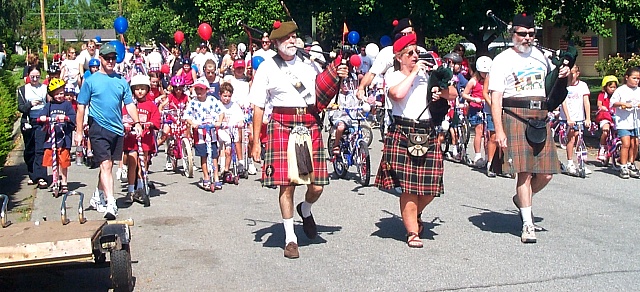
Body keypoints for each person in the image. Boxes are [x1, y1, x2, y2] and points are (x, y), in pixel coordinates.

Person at [249, 20, 348, 259]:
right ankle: (290, 238)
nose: (291, 40)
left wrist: (339, 74)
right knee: (288, 184)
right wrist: (254, 141)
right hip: (281, 125)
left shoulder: (310, 64)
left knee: (317, 186)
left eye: (293, 36)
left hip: (309, 124)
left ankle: (306, 209)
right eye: (286, 38)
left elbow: (323, 92)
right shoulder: (267, 68)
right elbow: (258, 107)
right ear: (276, 43)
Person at [488, 13, 570, 243]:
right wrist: (499, 130)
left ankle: (522, 199)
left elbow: (555, 83)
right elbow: (496, 98)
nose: (527, 38)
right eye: (522, 34)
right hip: (514, 114)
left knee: (546, 174)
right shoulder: (502, 60)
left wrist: (563, 73)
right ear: (512, 34)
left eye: (531, 34)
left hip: (540, 115)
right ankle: (527, 224)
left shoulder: (542, 57)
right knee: (523, 172)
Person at [374, 33, 457, 248]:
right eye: (410, 54)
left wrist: (440, 91)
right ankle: (412, 232)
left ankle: (415, 212)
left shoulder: (428, 76)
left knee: (431, 186)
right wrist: (414, 74)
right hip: (403, 130)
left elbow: (454, 94)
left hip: (427, 131)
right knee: (409, 188)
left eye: (416, 53)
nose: (414, 57)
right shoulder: (393, 76)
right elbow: (398, 95)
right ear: (399, 57)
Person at [75, 43, 144, 220]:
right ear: (101, 59)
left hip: (116, 128)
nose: (111, 61)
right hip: (98, 127)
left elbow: (129, 104)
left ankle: (97, 196)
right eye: (107, 58)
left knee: (109, 165)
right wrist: (79, 131)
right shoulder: (90, 81)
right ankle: (111, 203)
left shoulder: (121, 81)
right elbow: (81, 107)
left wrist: (137, 122)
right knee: (105, 165)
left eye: (113, 58)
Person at [122, 74, 161, 203]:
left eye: (143, 88)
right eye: (137, 88)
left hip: (145, 140)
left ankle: (140, 187)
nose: (140, 91)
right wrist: (126, 125)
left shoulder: (151, 105)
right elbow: (123, 117)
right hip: (132, 140)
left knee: (142, 163)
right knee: (132, 162)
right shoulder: (129, 105)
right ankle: (130, 190)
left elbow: (156, 120)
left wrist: (151, 124)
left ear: (147, 90)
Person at [183, 78, 225, 190]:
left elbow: (221, 112)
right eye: (197, 89)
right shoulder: (193, 102)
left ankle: (216, 177)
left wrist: (219, 122)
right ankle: (206, 177)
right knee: (204, 156)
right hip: (200, 133)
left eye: (201, 89)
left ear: (206, 89)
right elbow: (186, 116)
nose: (198, 91)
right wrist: (193, 124)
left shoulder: (212, 100)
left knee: (214, 155)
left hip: (211, 132)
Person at [40, 78, 76, 195]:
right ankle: (55, 179)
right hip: (51, 138)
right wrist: (42, 118)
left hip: (63, 138)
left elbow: (72, 118)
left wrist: (66, 118)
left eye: (61, 93)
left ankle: (64, 181)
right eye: (57, 93)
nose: (60, 96)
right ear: (52, 94)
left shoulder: (67, 105)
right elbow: (42, 115)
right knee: (50, 159)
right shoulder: (49, 106)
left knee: (63, 161)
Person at [17, 65, 49, 188]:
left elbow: (49, 104)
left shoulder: (44, 88)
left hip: (41, 121)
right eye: (32, 77)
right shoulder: (22, 90)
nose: (35, 79)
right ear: (28, 77)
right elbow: (21, 107)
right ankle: (32, 174)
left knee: (40, 149)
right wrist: (30, 104)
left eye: (37, 77)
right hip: (28, 122)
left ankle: (41, 176)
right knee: (30, 150)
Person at [559, 65, 592, 176]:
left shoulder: (582, 86)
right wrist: (568, 118)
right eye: (570, 73)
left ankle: (581, 162)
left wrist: (588, 118)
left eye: (574, 73)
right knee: (571, 139)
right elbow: (563, 103)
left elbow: (586, 102)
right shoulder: (563, 86)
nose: (571, 76)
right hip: (567, 118)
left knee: (580, 140)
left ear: (578, 73)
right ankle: (570, 162)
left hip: (579, 118)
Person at [610, 67, 640, 179]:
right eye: (634, 78)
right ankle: (623, 166)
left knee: (635, 144)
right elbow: (612, 103)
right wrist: (622, 104)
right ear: (627, 78)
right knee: (626, 144)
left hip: (636, 121)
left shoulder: (638, 90)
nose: (636, 80)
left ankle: (630, 163)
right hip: (623, 122)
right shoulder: (621, 90)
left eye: (638, 78)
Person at [462, 56, 492, 167]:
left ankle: (488, 156)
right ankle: (478, 155)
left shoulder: (490, 80)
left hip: (487, 107)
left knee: (488, 133)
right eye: (483, 72)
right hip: (476, 108)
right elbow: (464, 94)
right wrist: (474, 99)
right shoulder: (473, 81)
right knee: (479, 131)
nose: (485, 74)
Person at [217, 82, 246, 179]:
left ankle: (226, 169)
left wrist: (241, 122)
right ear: (220, 95)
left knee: (229, 149)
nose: (226, 98)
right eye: (224, 96)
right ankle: (217, 165)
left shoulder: (234, 106)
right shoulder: (217, 105)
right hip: (221, 130)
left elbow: (240, 117)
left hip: (232, 129)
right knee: (219, 148)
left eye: (229, 96)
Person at [596, 75, 618, 162]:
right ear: (605, 87)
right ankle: (602, 148)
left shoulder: (617, 95)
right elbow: (599, 104)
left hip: (614, 115)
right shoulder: (602, 95)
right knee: (606, 130)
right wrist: (602, 107)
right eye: (611, 87)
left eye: (614, 87)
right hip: (605, 115)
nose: (613, 89)